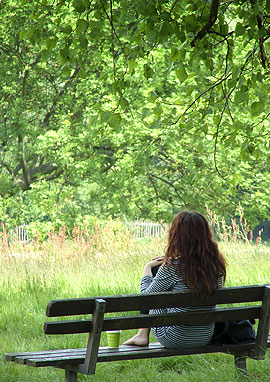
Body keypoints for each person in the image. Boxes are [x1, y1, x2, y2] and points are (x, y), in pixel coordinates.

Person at [123, 211, 226, 349]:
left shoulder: (172, 267)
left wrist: (148, 267)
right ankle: (141, 334)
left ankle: (142, 334)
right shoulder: (216, 266)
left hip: (174, 338)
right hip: (204, 336)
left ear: (177, 236)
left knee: (155, 287)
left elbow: (146, 298)